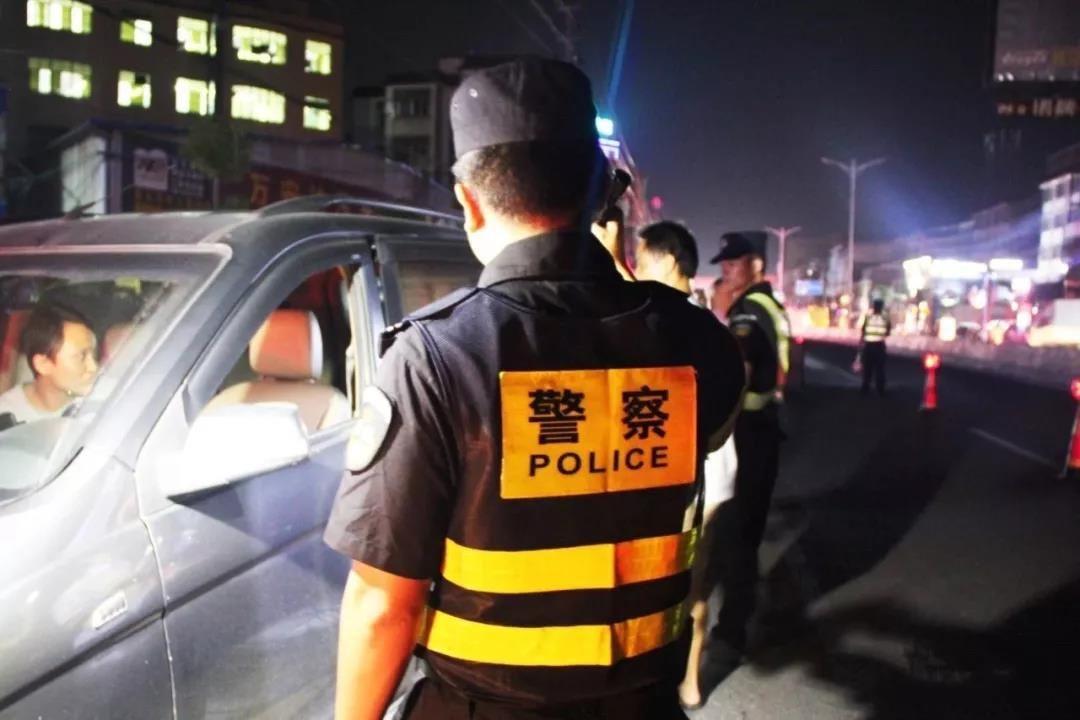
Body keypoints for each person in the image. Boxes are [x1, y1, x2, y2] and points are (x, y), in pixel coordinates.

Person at [323, 58, 746, 720]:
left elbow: (382, 604)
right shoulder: (698, 342)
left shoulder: (435, 358)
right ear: (602, 190)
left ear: (469, 202)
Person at [629, 221, 741, 709]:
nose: (635, 273)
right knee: (691, 580)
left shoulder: (673, 322)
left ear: (669, 262)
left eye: (641, 262)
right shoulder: (703, 324)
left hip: (693, 475)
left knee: (677, 584)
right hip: (707, 471)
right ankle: (687, 679)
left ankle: (677, 677)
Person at [708, 230, 791, 668]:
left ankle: (732, 631)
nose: (726, 270)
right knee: (748, 529)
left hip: (747, 432)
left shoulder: (746, 311)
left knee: (735, 534)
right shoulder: (770, 304)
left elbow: (734, 374)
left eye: (735, 262)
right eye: (724, 262)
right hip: (766, 426)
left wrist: (720, 318)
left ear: (757, 263)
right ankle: (743, 619)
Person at [0, 305, 98, 425]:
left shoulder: (109, 398)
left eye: (94, 353)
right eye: (81, 356)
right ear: (43, 364)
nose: (94, 367)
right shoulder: (6, 419)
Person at [860, 298, 891, 395]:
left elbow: (863, 330)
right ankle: (880, 390)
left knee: (868, 368)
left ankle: (865, 389)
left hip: (869, 345)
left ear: (874, 306)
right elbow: (888, 331)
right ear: (882, 307)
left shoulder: (868, 316)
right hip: (879, 346)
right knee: (879, 369)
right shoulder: (885, 317)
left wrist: (862, 342)